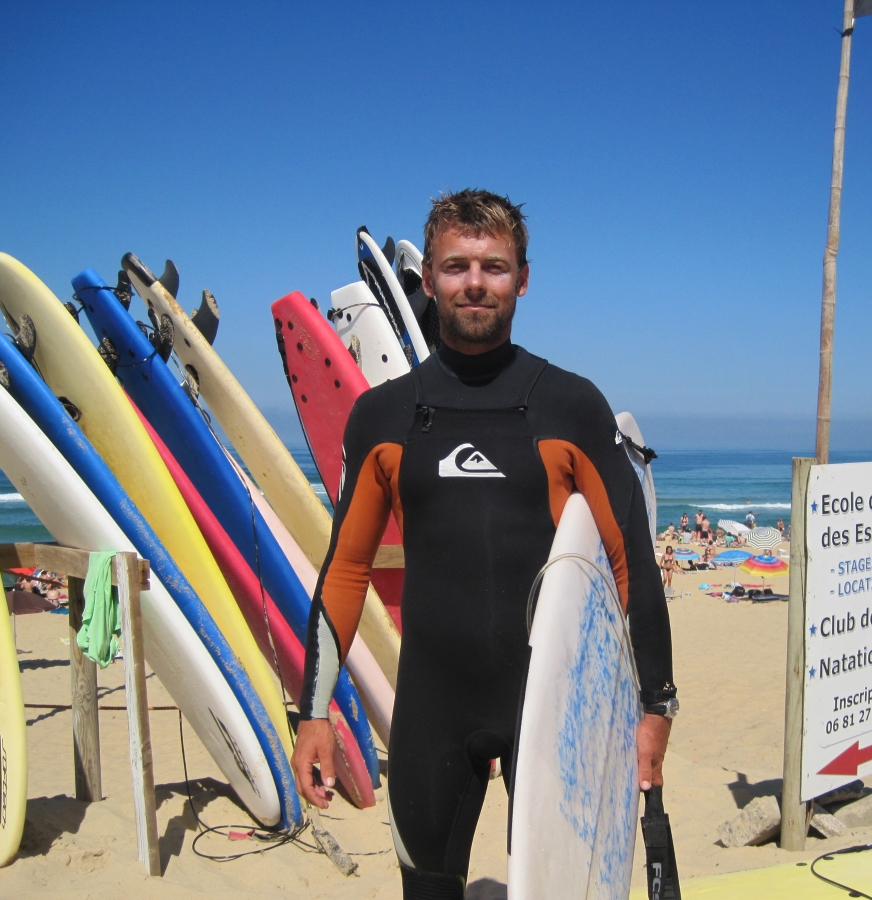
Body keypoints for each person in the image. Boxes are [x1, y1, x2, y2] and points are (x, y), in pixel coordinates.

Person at [289, 190, 675, 899]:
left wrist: (656, 707)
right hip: (432, 709)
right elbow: (344, 569)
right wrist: (313, 713)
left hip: (555, 707)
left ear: (522, 279)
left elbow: (631, 564)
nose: (475, 283)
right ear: (429, 279)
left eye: (494, 267)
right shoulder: (383, 416)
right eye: (456, 266)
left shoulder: (571, 405)